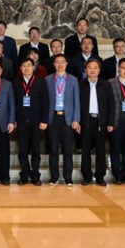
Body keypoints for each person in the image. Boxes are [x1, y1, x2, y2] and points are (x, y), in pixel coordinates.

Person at [44, 54, 81, 186]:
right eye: (57, 62)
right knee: (53, 149)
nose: (60, 64)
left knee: (68, 150)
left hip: (68, 118)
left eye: (62, 62)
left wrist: (76, 119)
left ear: (66, 64)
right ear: (54, 64)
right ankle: (54, 177)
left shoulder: (73, 80)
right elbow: (44, 101)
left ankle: (68, 177)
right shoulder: (47, 79)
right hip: (53, 117)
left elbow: (77, 101)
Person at [13, 57, 48, 185]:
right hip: (21, 121)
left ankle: (35, 175)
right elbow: (13, 103)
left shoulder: (41, 82)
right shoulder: (15, 82)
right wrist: (13, 120)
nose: (26, 68)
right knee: (22, 150)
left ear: (33, 67)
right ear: (20, 68)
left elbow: (45, 102)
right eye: (24, 66)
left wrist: (44, 120)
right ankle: (24, 174)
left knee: (36, 150)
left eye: (29, 65)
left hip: (36, 121)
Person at [78, 59, 111, 186]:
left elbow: (111, 105)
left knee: (100, 150)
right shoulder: (80, 84)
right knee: (85, 150)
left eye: (95, 67)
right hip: (85, 121)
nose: (92, 70)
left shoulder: (106, 85)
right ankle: (86, 176)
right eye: (89, 67)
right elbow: (77, 104)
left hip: (100, 121)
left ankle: (100, 176)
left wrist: (110, 122)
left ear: (99, 70)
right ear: (85, 70)